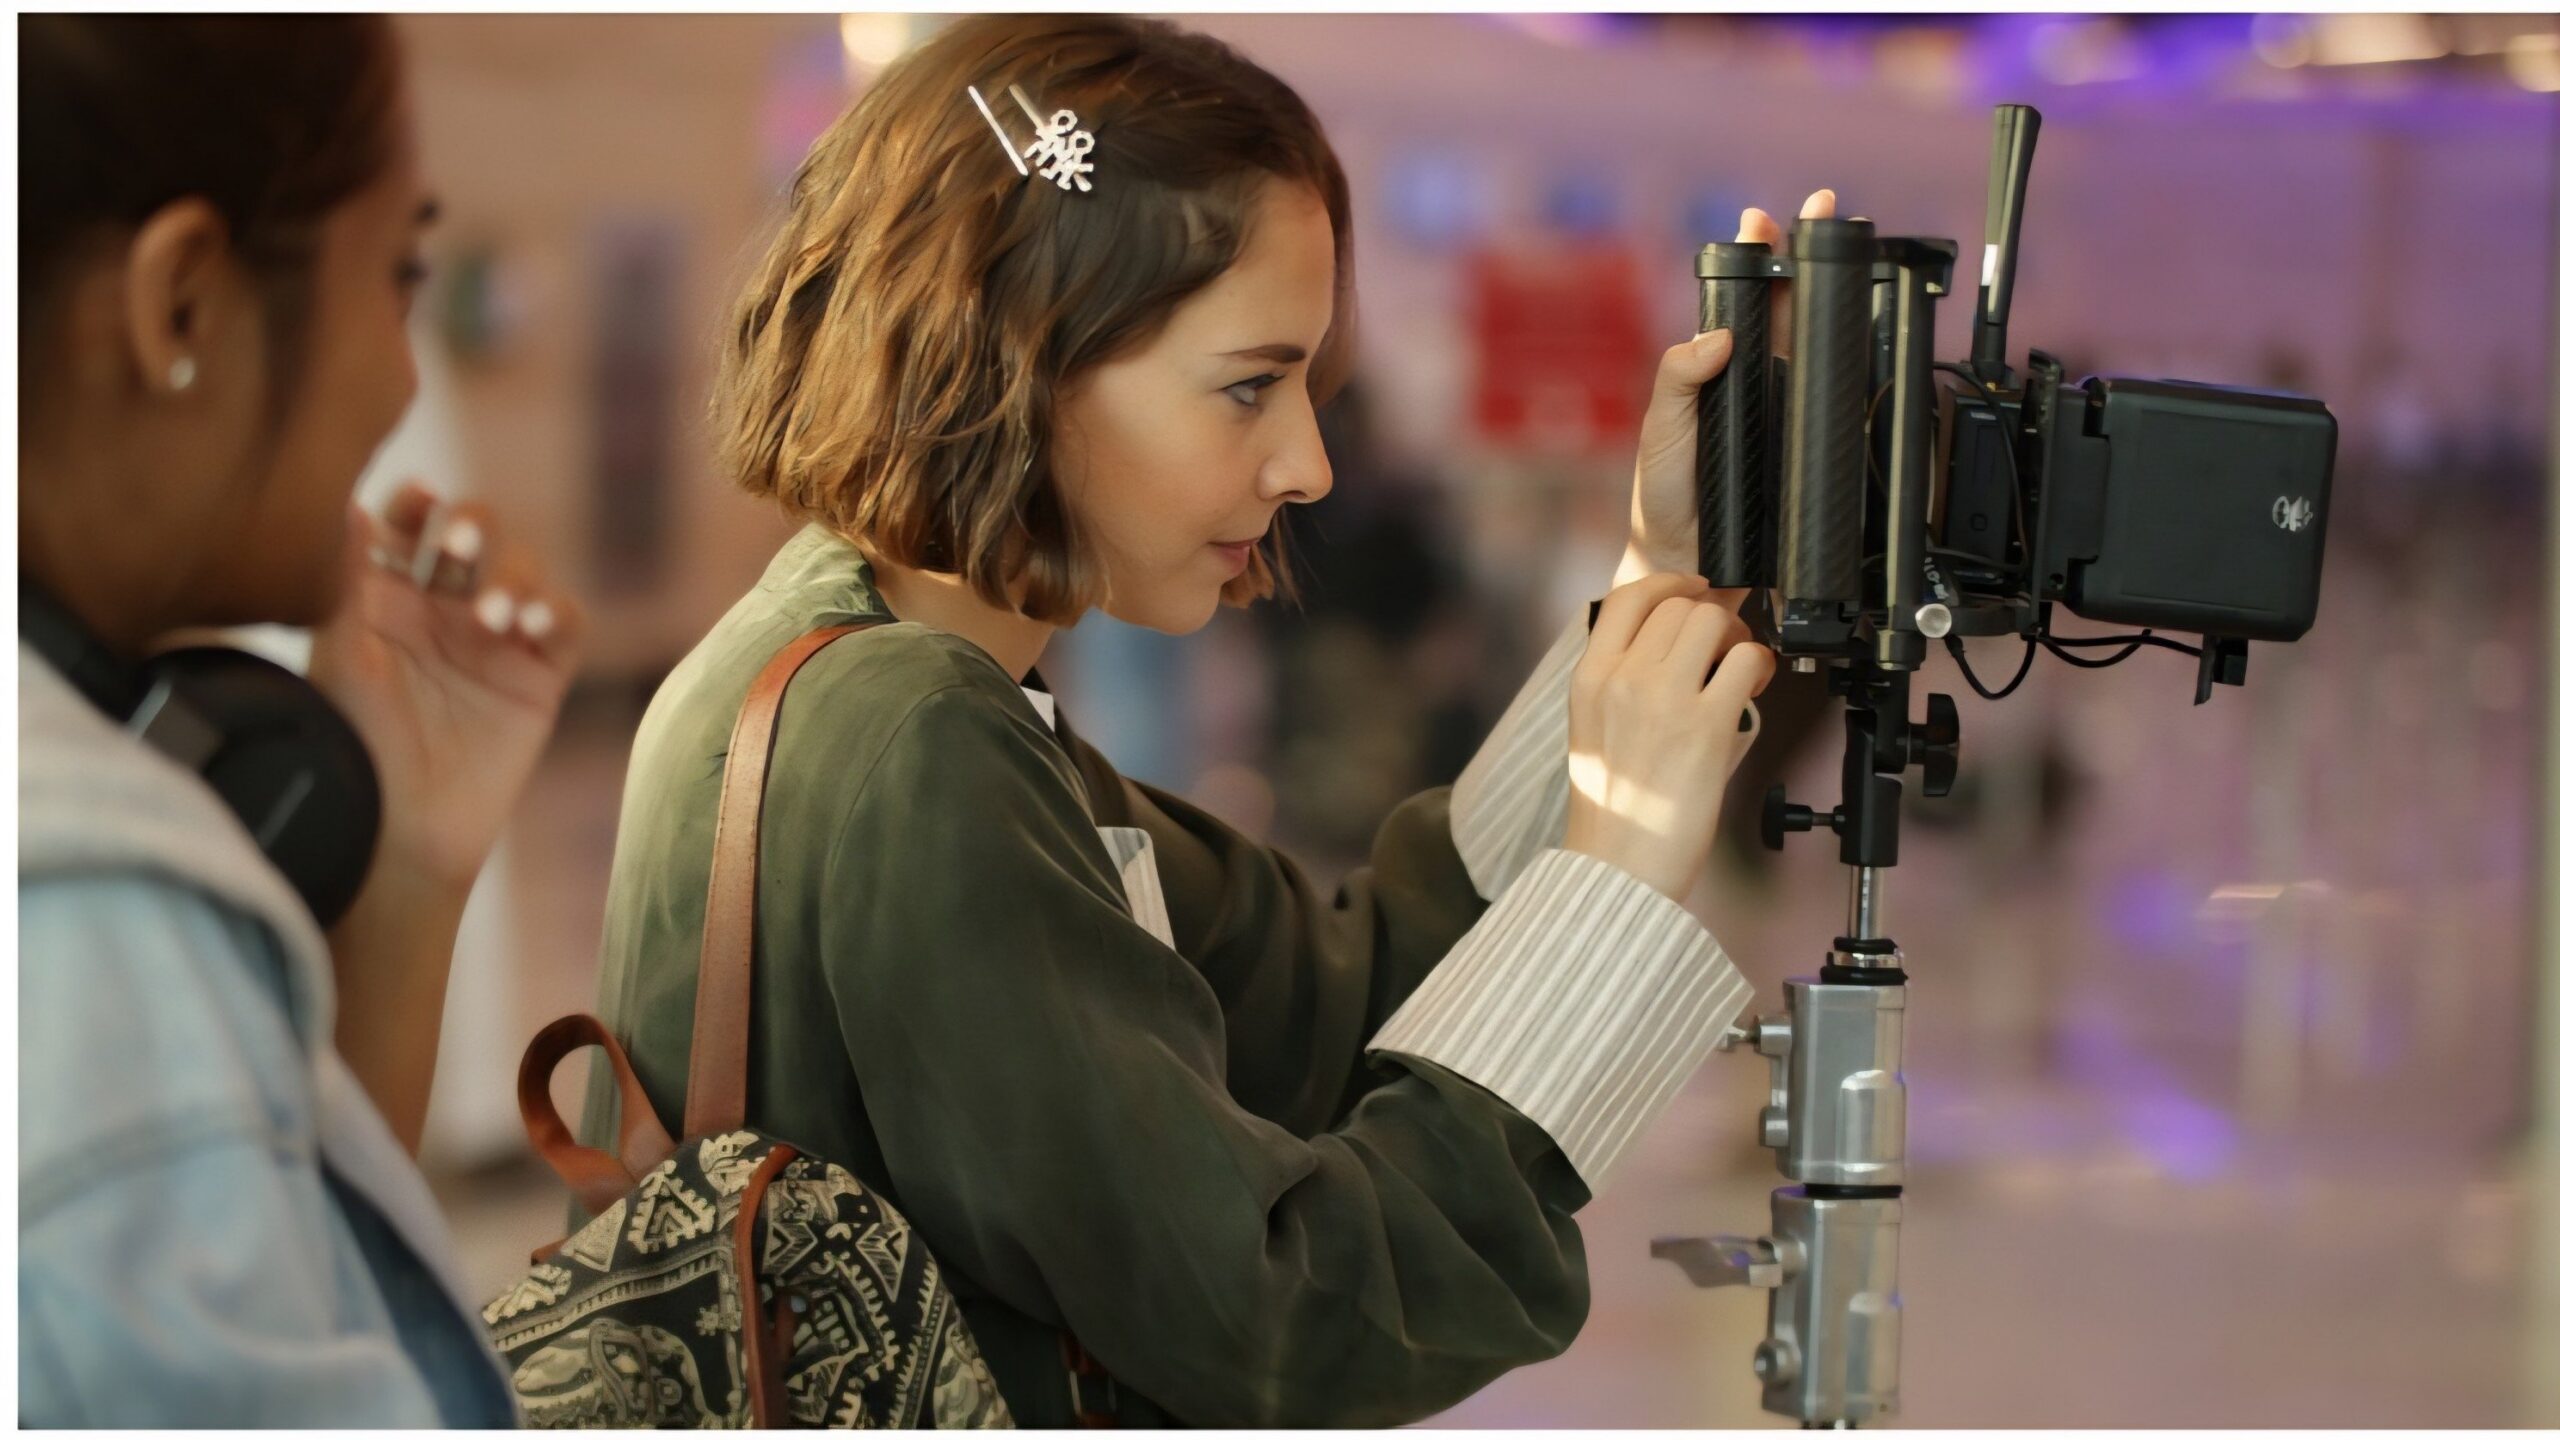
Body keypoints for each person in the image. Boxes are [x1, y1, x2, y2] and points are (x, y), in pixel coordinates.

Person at [587, 13, 1820, 1426]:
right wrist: (1619, 858)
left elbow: (1335, 1005)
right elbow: (1273, 1316)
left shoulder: (865, 673)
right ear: (1019, 353)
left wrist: (1664, 571)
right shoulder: (907, 734)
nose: (1306, 465)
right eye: (1248, 386)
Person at [19, 16, 580, 1425]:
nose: (404, 381)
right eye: (397, 276)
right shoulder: (83, 944)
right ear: (182, 307)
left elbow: (306, 1290)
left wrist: (406, 873)